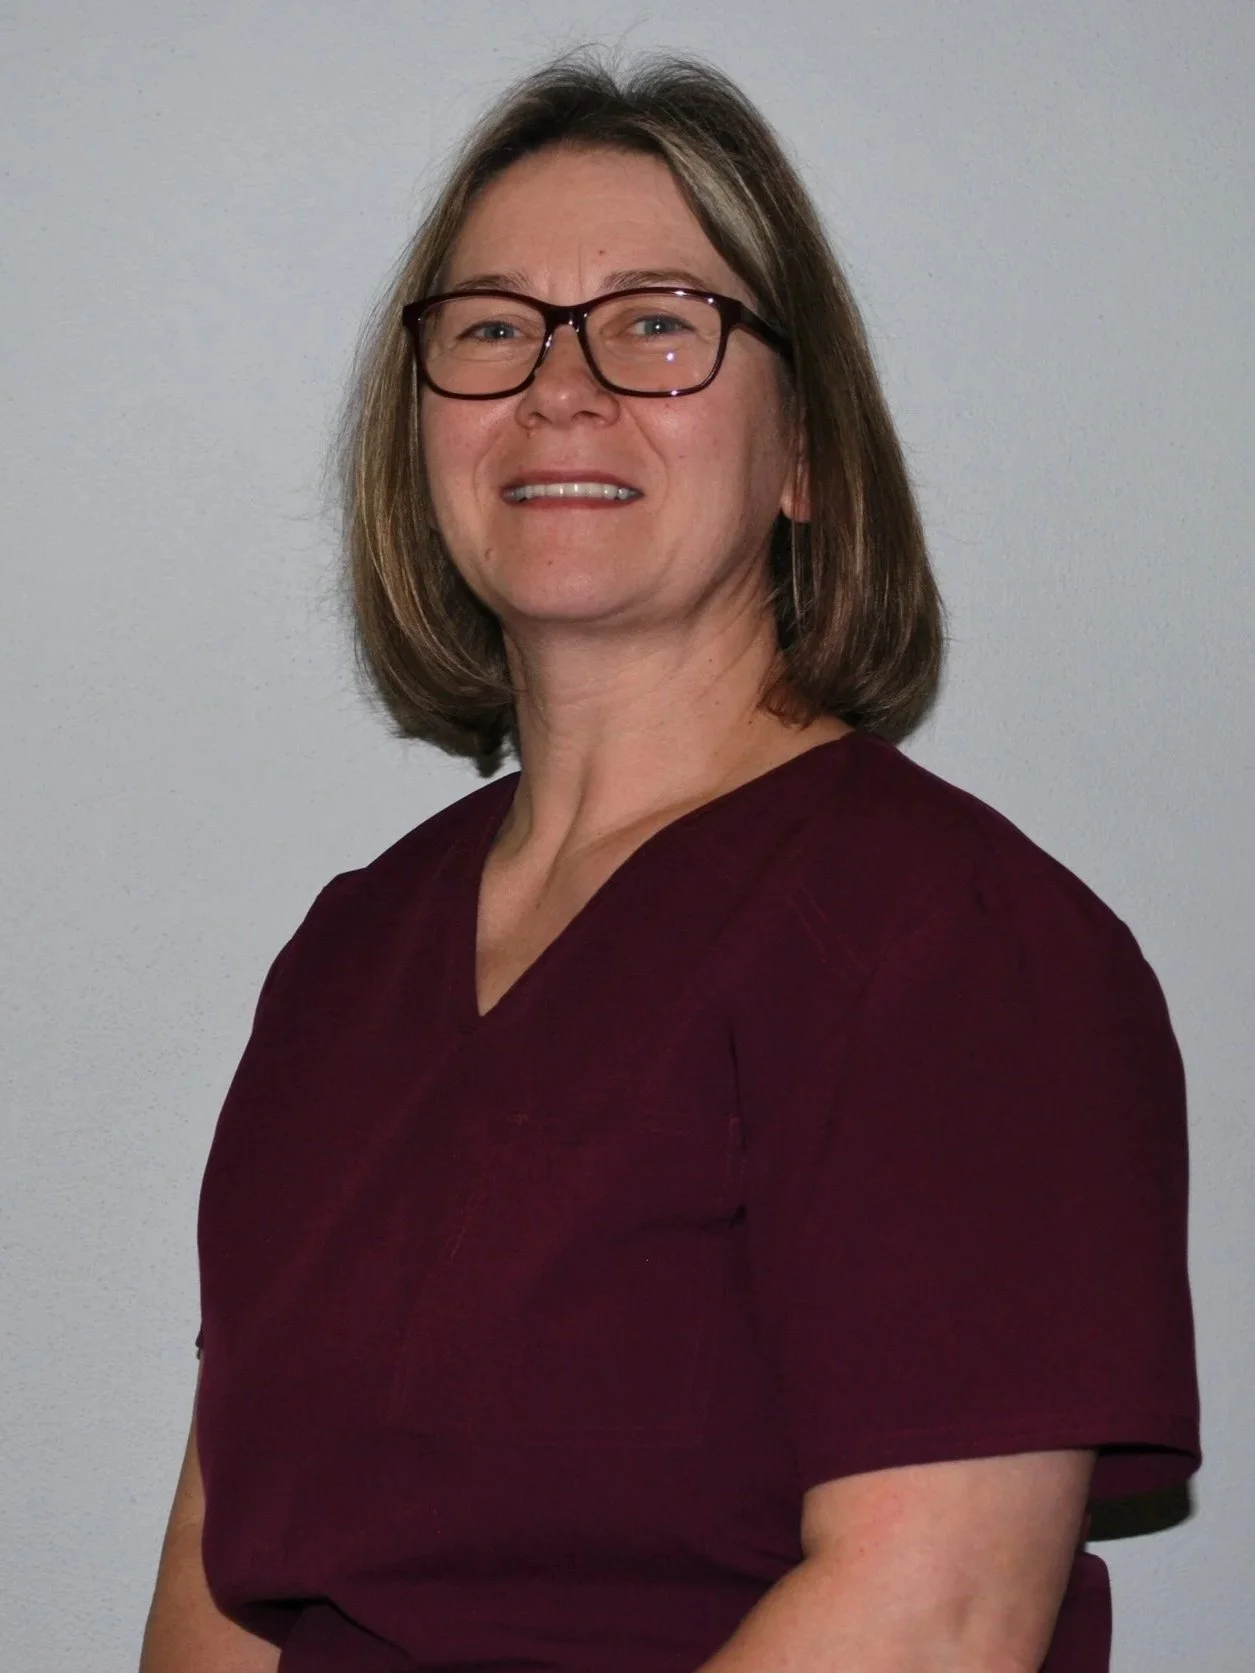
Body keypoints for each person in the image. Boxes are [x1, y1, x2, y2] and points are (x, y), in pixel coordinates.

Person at [140, 52, 1199, 1673]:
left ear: (803, 457)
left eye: (655, 324)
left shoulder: (954, 944)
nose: (558, 387)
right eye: (491, 329)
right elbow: (218, 1580)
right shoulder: (346, 960)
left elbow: (934, 1619)